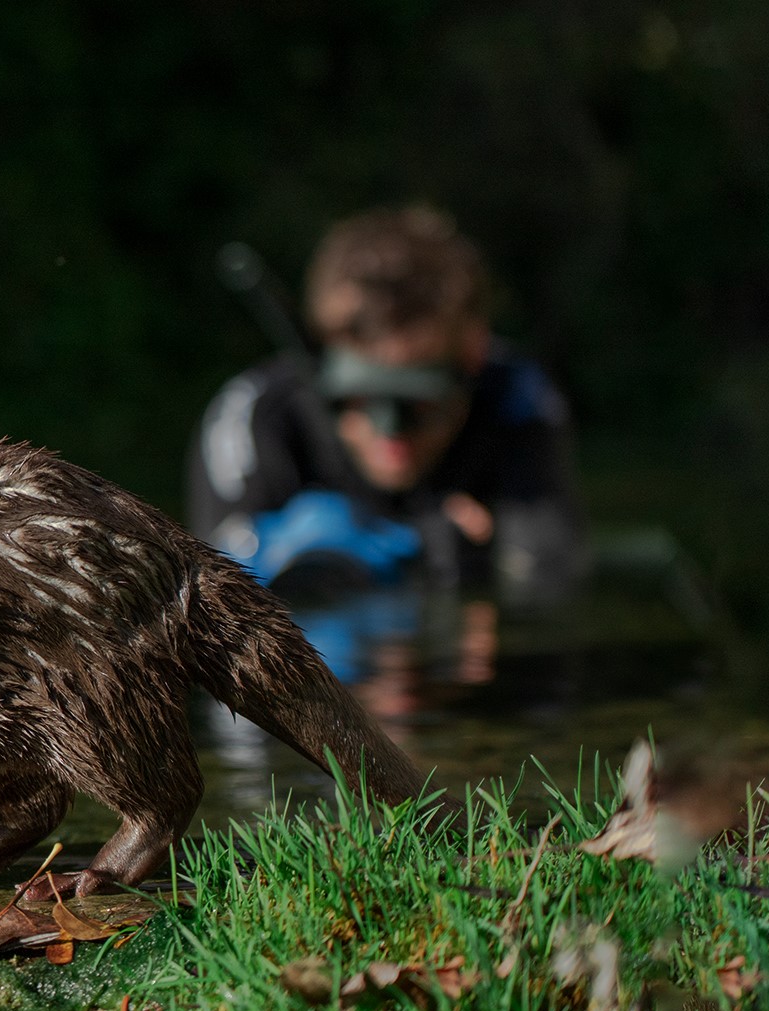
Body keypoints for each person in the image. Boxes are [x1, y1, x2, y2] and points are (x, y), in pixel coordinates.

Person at [186, 206, 585, 706]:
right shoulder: (258, 414)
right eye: (360, 399)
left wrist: (466, 566)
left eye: (420, 402)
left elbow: (549, 573)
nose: (390, 435)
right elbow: (212, 607)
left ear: (472, 353)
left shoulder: (517, 399)